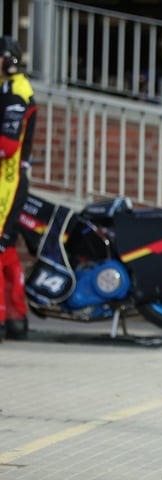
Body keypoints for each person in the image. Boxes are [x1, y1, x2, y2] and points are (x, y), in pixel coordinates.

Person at [0, 36, 37, 341]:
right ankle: (15, 319)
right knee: (7, 248)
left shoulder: (15, 93)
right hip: (9, 181)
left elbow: (8, 146)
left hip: (8, 183)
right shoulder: (9, 89)